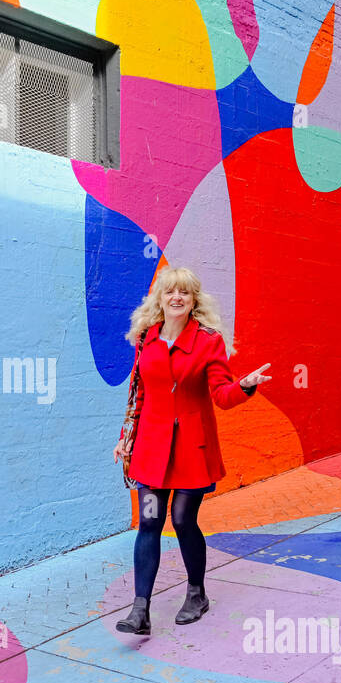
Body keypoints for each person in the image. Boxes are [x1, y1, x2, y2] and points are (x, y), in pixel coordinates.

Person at [112, 267, 272, 635]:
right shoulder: (145, 339)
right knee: (150, 521)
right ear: (161, 299)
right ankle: (140, 610)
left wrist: (245, 386)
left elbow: (221, 394)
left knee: (183, 520)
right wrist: (126, 436)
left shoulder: (208, 341)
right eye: (170, 292)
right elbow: (138, 395)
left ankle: (196, 593)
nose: (177, 298)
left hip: (190, 450)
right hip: (150, 451)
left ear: (193, 300)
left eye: (184, 292)